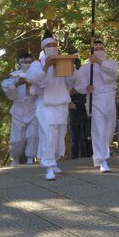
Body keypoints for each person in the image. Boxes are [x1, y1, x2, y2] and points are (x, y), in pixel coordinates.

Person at [25, 30, 78, 181]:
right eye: (49, 45)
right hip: (45, 104)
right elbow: (34, 79)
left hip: (61, 103)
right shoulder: (37, 63)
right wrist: (47, 65)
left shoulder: (62, 61)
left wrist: (72, 69)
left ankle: (54, 161)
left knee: (60, 136)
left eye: (54, 44)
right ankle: (48, 166)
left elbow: (71, 82)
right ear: (43, 48)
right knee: (49, 135)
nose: (52, 47)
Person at [75, 40, 118, 173]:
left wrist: (98, 62)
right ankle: (103, 159)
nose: (99, 49)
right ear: (91, 51)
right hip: (95, 99)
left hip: (110, 98)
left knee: (108, 131)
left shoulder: (111, 63)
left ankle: (97, 156)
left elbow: (112, 74)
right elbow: (79, 85)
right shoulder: (85, 68)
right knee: (98, 129)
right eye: (96, 48)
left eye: (101, 47)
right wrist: (86, 87)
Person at [1, 53, 39, 166]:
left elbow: (43, 84)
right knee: (17, 139)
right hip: (18, 109)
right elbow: (7, 89)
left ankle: (30, 157)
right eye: (24, 62)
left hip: (33, 107)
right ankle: (15, 157)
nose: (26, 64)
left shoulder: (36, 74)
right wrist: (17, 84)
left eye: (29, 61)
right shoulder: (13, 75)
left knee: (33, 135)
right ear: (19, 63)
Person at [68, 57, 92, 159]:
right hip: (73, 110)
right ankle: (75, 156)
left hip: (83, 108)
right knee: (75, 137)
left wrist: (77, 90)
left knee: (86, 135)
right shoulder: (66, 75)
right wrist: (70, 101)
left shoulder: (82, 74)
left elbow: (85, 90)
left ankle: (88, 154)